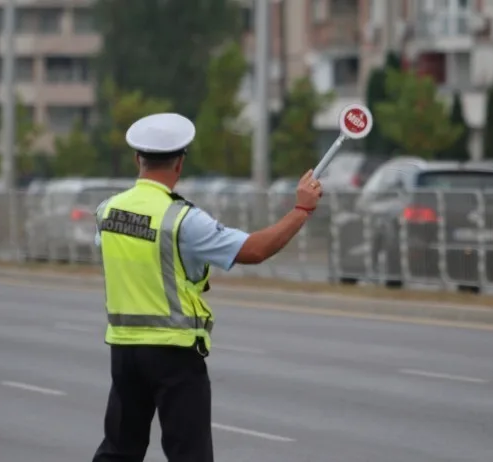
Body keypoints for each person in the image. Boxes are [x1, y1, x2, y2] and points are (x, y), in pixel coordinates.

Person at [91, 112, 323, 462]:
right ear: (180, 163)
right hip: (173, 352)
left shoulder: (107, 210)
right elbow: (255, 250)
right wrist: (301, 210)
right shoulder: (182, 219)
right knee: (190, 455)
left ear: (138, 158)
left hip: (124, 350)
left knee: (119, 452)